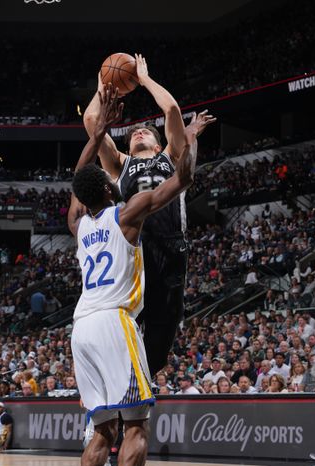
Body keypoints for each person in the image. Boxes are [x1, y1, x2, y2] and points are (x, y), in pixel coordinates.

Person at [61, 84, 197, 466]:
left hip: (81, 325)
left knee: (103, 429)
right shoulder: (126, 213)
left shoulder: (78, 225)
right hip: (116, 320)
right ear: (110, 185)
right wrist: (190, 148)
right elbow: (182, 181)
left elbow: (79, 182)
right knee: (137, 426)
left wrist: (96, 136)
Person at [83, 55, 215, 376]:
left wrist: (143, 78)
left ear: (159, 145)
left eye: (146, 131)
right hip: (133, 251)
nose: (140, 131)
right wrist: (105, 84)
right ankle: (116, 389)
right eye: (135, 132)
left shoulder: (171, 156)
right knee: (121, 331)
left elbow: (170, 111)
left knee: (157, 352)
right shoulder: (119, 164)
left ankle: (145, 379)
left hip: (171, 249)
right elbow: (91, 122)